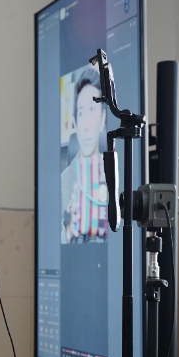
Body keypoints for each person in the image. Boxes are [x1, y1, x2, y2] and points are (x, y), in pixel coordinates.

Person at [61, 67, 109, 243]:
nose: (86, 124)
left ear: (103, 119)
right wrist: (67, 232)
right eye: (81, 112)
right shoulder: (62, 183)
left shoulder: (117, 177)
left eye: (92, 109)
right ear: (75, 123)